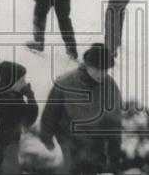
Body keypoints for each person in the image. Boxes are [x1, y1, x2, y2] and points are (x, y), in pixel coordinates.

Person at [40, 43, 123, 174]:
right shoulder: (65, 82)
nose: (102, 74)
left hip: (96, 143)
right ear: (87, 65)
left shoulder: (111, 86)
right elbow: (50, 113)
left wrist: (115, 152)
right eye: (98, 69)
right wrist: (47, 139)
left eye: (105, 70)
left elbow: (114, 122)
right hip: (69, 140)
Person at [0, 61, 39, 175]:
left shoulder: (14, 95)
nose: (24, 84)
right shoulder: (3, 100)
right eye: (21, 81)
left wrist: (29, 96)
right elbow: (29, 119)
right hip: (1, 147)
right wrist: (30, 96)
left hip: (10, 142)